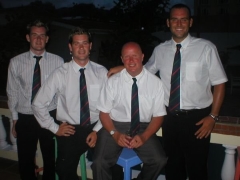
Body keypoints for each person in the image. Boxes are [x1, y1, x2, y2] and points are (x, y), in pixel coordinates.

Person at [107, 4, 228, 180]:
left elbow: (220, 83)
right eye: (174, 19)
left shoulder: (206, 48)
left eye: (183, 19)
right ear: (168, 22)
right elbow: (145, 70)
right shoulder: (160, 50)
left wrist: (213, 116)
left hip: (198, 119)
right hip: (169, 118)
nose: (179, 23)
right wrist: (122, 67)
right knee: (172, 167)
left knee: (198, 168)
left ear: (190, 22)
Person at [32, 27, 123, 180]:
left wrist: (96, 130)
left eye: (85, 43)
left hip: (98, 125)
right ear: (70, 47)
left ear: (90, 46)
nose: (81, 47)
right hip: (71, 129)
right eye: (76, 44)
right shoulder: (60, 74)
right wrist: (55, 128)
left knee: (111, 166)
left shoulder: (101, 72)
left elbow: (110, 104)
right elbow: (38, 104)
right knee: (63, 169)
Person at [92, 42, 167, 180]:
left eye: (135, 56)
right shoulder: (112, 82)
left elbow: (158, 116)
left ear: (142, 57)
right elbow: (104, 113)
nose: (131, 60)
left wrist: (144, 136)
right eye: (127, 57)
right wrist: (115, 134)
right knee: (98, 163)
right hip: (114, 125)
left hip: (142, 126)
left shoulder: (155, 83)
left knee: (159, 160)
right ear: (122, 59)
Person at [6, 20, 64, 180]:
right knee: (25, 161)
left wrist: (61, 117)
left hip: (50, 115)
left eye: (42, 35)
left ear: (47, 39)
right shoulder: (16, 62)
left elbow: (61, 92)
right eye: (34, 35)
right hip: (25, 116)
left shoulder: (58, 62)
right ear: (27, 37)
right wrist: (15, 119)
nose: (38, 39)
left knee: (51, 159)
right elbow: (12, 92)